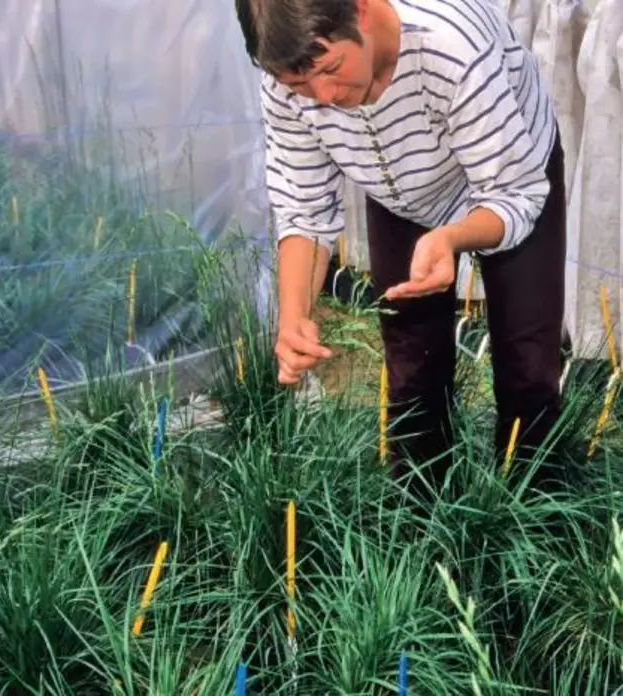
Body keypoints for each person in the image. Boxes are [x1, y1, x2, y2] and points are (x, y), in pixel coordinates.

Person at [234, 0, 567, 495]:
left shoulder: (452, 47)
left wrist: (451, 236)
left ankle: (531, 518)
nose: (322, 96)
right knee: (411, 366)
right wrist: (293, 316)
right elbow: (303, 209)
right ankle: (422, 522)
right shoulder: (288, 84)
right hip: (402, 191)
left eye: (330, 69)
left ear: (362, 11)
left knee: (526, 365)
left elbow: (514, 193)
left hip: (510, 174)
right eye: (299, 85)